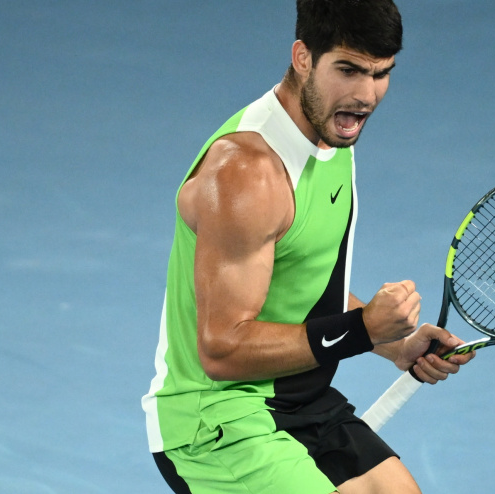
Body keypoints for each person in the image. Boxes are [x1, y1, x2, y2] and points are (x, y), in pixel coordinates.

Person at [141, 1, 475, 492]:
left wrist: (395, 344)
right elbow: (222, 351)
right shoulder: (247, 172)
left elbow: (305, 289)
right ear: (303, 58)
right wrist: (361, 330)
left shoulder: (332, 135)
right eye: (349, 70)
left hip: (304, 400)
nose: (366, 96)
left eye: (382, 74)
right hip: (217, 423)